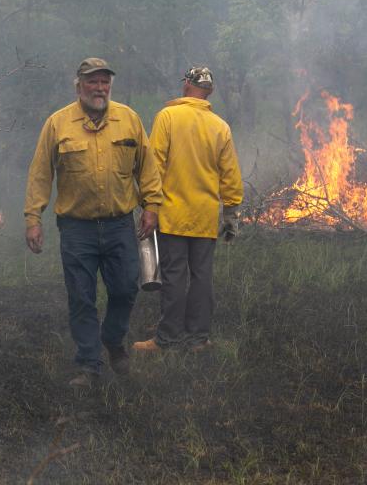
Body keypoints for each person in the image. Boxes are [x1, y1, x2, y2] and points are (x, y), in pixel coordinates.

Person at [24, 57, 162, 387]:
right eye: (92, 82)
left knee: (126, 288)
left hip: (119, 225)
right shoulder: (58, 124)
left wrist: (152, 205)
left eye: (104, 82)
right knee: (81, 297)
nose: (99, 88)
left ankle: (112, 339)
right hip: (76, 228)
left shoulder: (128, 119)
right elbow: (41, 173)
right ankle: (89, 365)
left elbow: (148, 168)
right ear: (79, 86)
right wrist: (33, 218)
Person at [132, 66, 243, 353]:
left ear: (186, 85)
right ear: (209, 91)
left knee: (173, 278)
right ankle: (198, 339)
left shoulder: (168, 117)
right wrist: (231, 215)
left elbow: (153, 165)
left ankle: (166, 339)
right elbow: (230, 175)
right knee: (202, 278)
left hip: (172, 216)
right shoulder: (220, 126)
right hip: (204, 218)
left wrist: (149, 205)